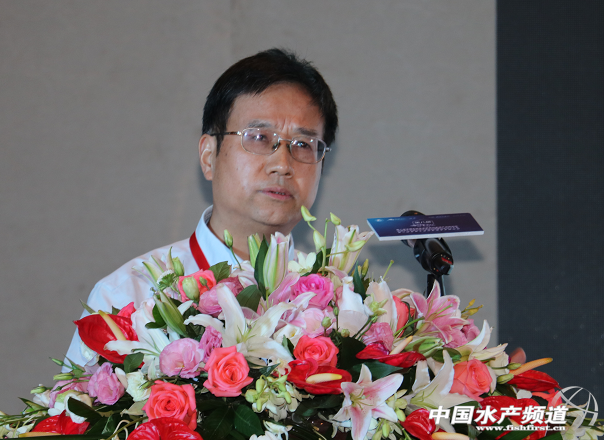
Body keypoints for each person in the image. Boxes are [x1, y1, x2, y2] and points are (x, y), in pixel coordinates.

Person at [64, 48, 339, 367]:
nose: (282, 164)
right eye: (259, 138)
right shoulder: (129, 297)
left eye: (304, 145)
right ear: (209, 156)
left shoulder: (344, 305)